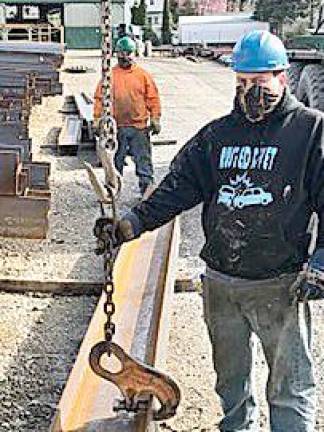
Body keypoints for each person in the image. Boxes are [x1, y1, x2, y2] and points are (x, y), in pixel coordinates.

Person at [94, 30, 324, 431]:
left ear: (283, 77)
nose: (251, 92)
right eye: (242, 82)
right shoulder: (219, 135)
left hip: (280, 284)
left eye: (260, 81)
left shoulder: (309, 132)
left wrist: (321, 264)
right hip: (222, 285)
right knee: (230, 382)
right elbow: (179, 185)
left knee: (289, 388)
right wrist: (131, 224)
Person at [94, 36, 161, 196]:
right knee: (115, 161)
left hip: (139, 127)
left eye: (128, 53)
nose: (125, 56)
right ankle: (112, 190)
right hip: (117, 128)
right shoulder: (110, 76)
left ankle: (147, 190)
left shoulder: (143, 76)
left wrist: (155, 118)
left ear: (134, 53)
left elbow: (153, 97)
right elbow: (100, 98)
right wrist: (97, 119)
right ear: (116, 54)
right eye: (121, 53)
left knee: (143, 160)